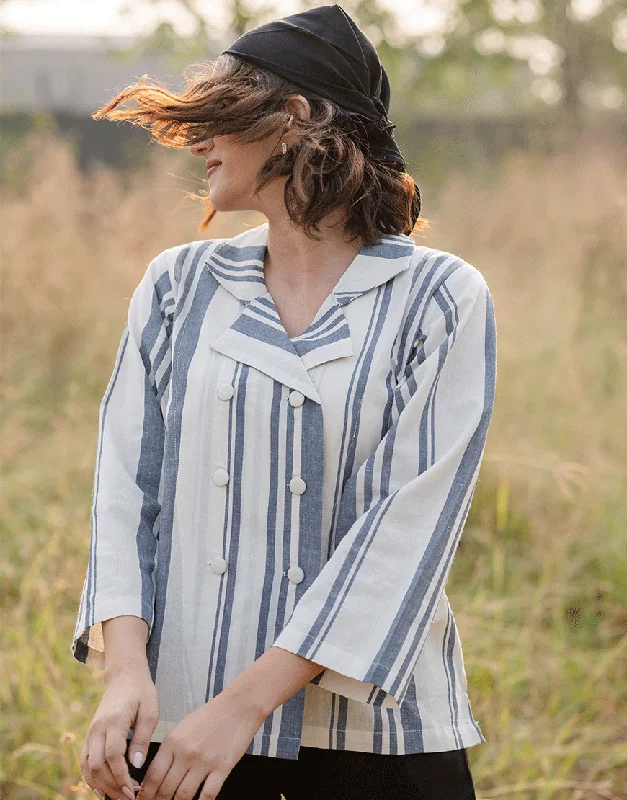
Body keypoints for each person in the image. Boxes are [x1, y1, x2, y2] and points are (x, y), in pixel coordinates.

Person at [71, 5, 497, 800]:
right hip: (179, 726)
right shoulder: (178, 284)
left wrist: (242, 707)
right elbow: (125, 491)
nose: (197, 144)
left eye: (216, 118)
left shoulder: (438, 296)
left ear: (295, 118)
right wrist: (125, 673)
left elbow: (402, 531)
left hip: (371, 736)